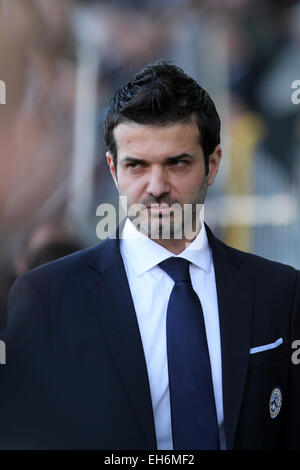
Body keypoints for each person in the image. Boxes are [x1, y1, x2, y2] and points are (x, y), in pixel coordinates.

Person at [0, 60, 299, 450]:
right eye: (136, 165)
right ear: (113, 169)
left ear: (213, 164)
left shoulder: (279, 290)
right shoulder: (47, 298)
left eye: (177, 162)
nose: (156, 186)